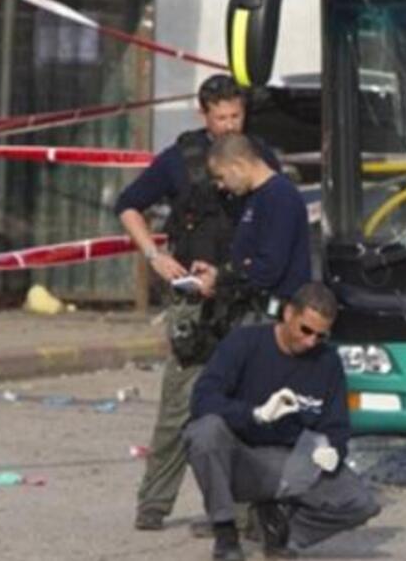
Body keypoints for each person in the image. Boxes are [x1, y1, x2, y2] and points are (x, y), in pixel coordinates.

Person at [116, 74, 280, 533]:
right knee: (180, 405)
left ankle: (242, 509)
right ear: (203, 115)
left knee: (244, 406)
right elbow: (129, 205)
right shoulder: (180, 160)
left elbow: (278, 210)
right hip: (193, 301)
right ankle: (154, 505)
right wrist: (155, 256)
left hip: (241, 294)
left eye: (236, 116)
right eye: (221, 117)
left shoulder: (258, 157)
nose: (229, 125)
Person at [184, 282, 379, 560]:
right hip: (239, 458)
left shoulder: (328, 362)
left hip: (289, 463)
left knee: (360, 502)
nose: (311, 341)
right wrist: (255, 414)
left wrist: (333, 449)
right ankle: (225, 531)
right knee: (204, 432)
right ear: (288, 314)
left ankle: (281, 532)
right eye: (306, 330)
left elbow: (336, 425)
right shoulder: (244, 343)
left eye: (320, 335)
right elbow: (202, 399)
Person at [191, 133, 311, 317]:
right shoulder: (254, 198)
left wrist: (221, 277)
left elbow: (268, 268)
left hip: (276, 317)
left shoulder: (279, 197)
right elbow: (249, 259)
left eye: (221, 177)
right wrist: (218, 273)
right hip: (256, 312)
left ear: (238, 166)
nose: (221, 186)